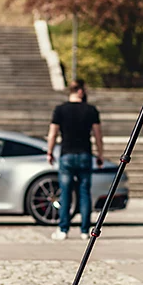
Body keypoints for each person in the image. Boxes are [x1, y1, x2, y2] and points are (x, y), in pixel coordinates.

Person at [47, 80, 104, 241]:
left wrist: (49, 152)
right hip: (85, 154)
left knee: (65, 193)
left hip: (67, 155)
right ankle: (85, 230)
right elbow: (98, 135)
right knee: (84, 193)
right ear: (80, 91)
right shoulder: (91, 110)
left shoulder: (60, 110)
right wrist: (100, 154)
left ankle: (63, 229)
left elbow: (53, 134)